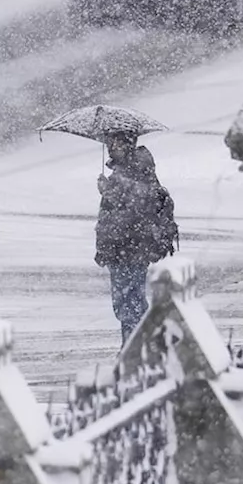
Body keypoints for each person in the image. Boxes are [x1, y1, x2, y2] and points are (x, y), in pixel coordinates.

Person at [95, 132, 179, 343]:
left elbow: (135, 211)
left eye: (114, 143)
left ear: (127, 143)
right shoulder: (124, 173)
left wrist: (110, 192)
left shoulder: (136, 171)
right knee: (127, 302)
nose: (110, 147)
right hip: (121, 248)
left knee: (129, 302)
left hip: (130, 247)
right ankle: (137, 346)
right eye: (108, 143)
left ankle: (135, 348)